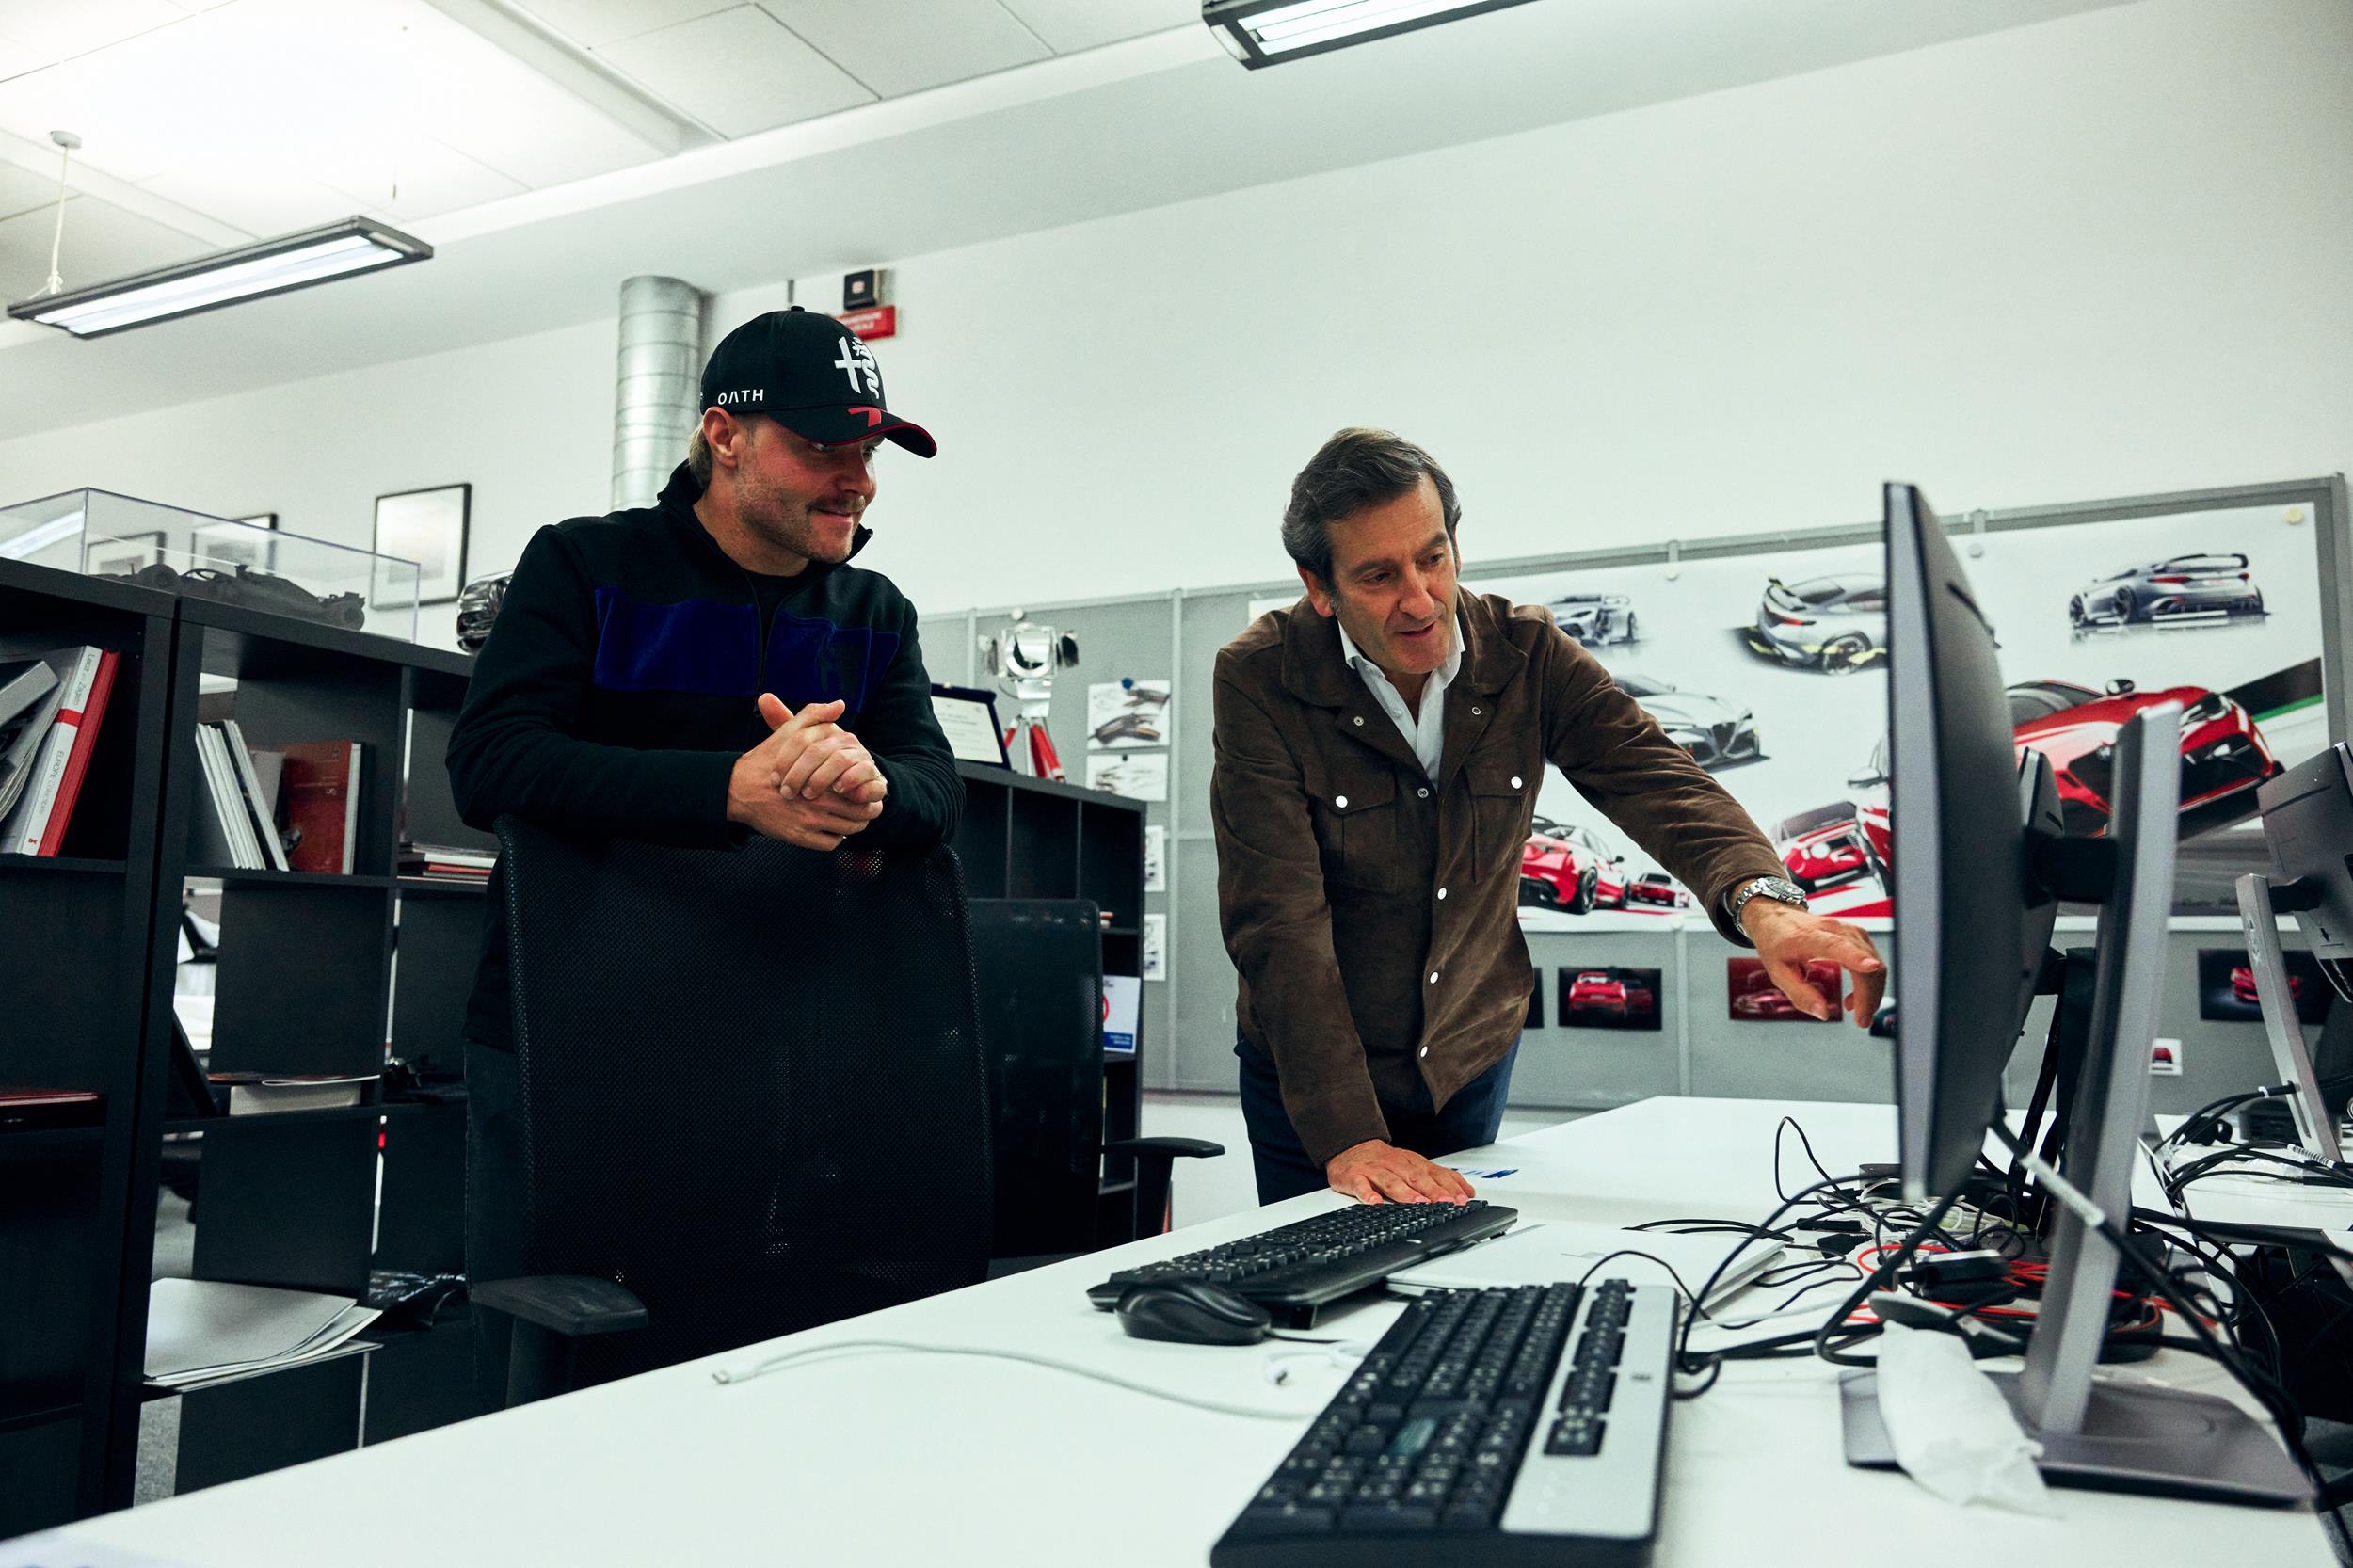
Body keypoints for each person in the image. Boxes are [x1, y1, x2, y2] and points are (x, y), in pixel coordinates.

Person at [444, 308, 960, 1380]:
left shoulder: (874, 611)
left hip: (781, 1051)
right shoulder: (585, 564)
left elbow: (933, 790)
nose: (856, 480)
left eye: (867, 453)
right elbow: (488, 763)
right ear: (724, 437)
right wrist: (727, 790)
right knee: (558, 1371)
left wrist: (870, 783)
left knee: (751, 1361)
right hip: (569, 1040)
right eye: (823, 449)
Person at [1212, 428, 1884, 1207]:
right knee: (1322, 1285)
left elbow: (1655, 776)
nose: (1421, 599)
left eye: (1433, 557)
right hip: (1314, 1073)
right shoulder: (1261, 678)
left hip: (1467, 1055)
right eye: (1378, 576)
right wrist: (1347, 1134)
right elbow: (1279, 918)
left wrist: (1764, 906)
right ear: (1319, 586)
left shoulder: (1527, 653)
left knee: (1463, 1275)